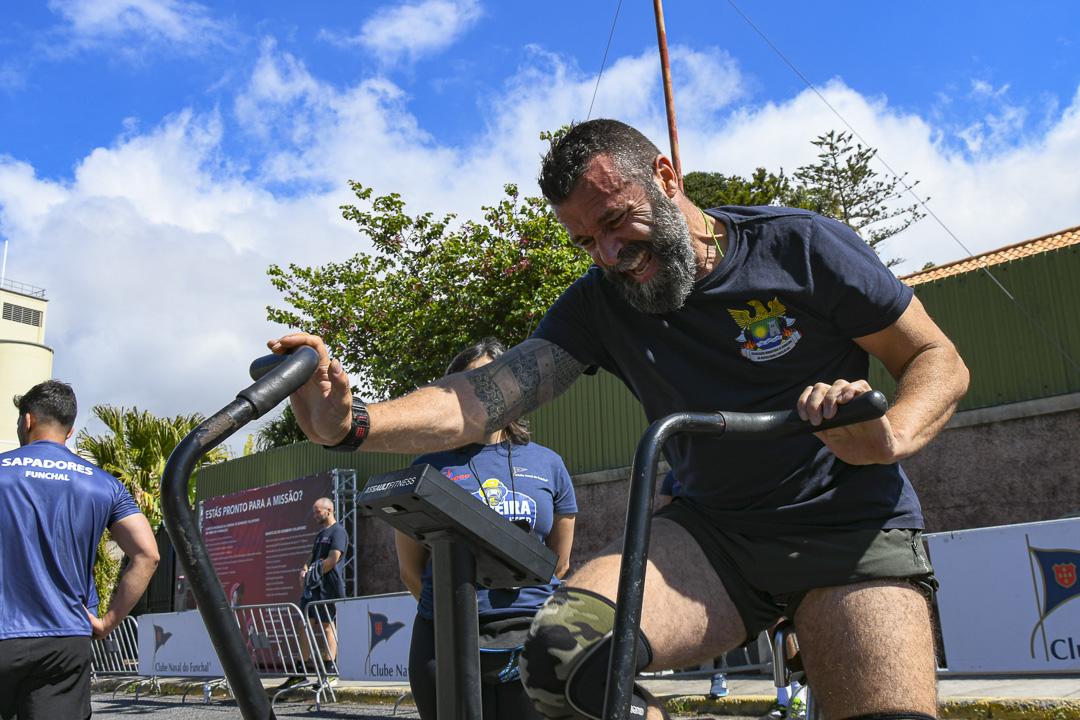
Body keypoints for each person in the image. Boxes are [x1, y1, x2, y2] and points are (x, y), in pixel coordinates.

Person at [270, 118, 969, 720]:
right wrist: (351, 424)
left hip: (847, 523)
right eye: (585, 242)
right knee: (561, 653)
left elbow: (937, 356)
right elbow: (483, 396)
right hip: (712, 534)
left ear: (665, 175)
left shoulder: (801, 246)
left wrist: (892, 436)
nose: (608, 254)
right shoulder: (601, 302)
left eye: (614, 222)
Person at [396, 338, 577, 720]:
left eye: (498, 377)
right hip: (445, 636)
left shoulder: (549, 464)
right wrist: (456, 605)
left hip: (532, 635)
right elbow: (411, 570)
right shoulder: (428, 467)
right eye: (473, 380)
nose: (486, 389)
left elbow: (558, 563)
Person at [0, 380, 159, 720]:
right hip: (66, 638)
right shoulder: (104, 484)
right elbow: (148, 554)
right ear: (70, 432)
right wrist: (108, 621)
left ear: (26, 421)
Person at [297, 498, 347, 673]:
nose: (314, 515)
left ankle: (330, 670)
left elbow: (333, 560)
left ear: (329, 510)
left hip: (329, 587)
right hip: (313, 588)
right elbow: (312, 556)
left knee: (328, 625)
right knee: (304, 624)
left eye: (317, 511)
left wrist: (313, 573)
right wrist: (304, 569)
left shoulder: (338, 532)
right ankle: (300, 670)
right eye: (314, 511)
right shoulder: (320, 534)